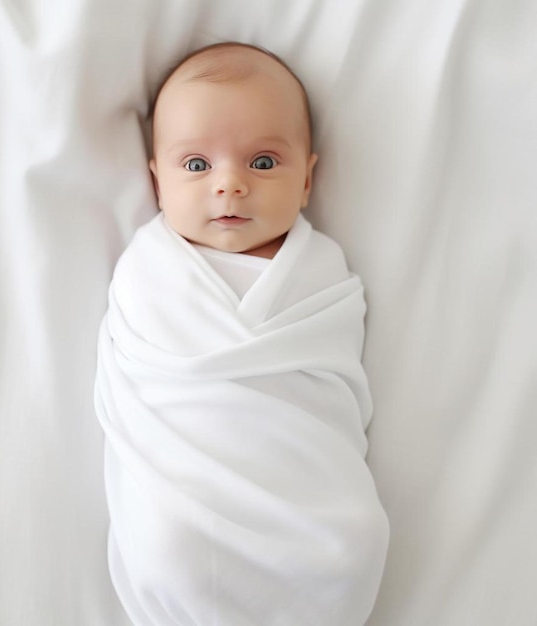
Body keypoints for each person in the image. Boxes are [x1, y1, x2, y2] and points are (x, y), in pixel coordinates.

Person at [95, 42, 389, 626]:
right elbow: (140, 387)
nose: (229, 185)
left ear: (308, 179)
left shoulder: (323, 274)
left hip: (307, 497)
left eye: (262, 163)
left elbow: (331, 391)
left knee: (353, 541)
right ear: (157, 183)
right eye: (197, 165)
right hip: (186, 495)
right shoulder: (150, 269)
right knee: (169, 547)